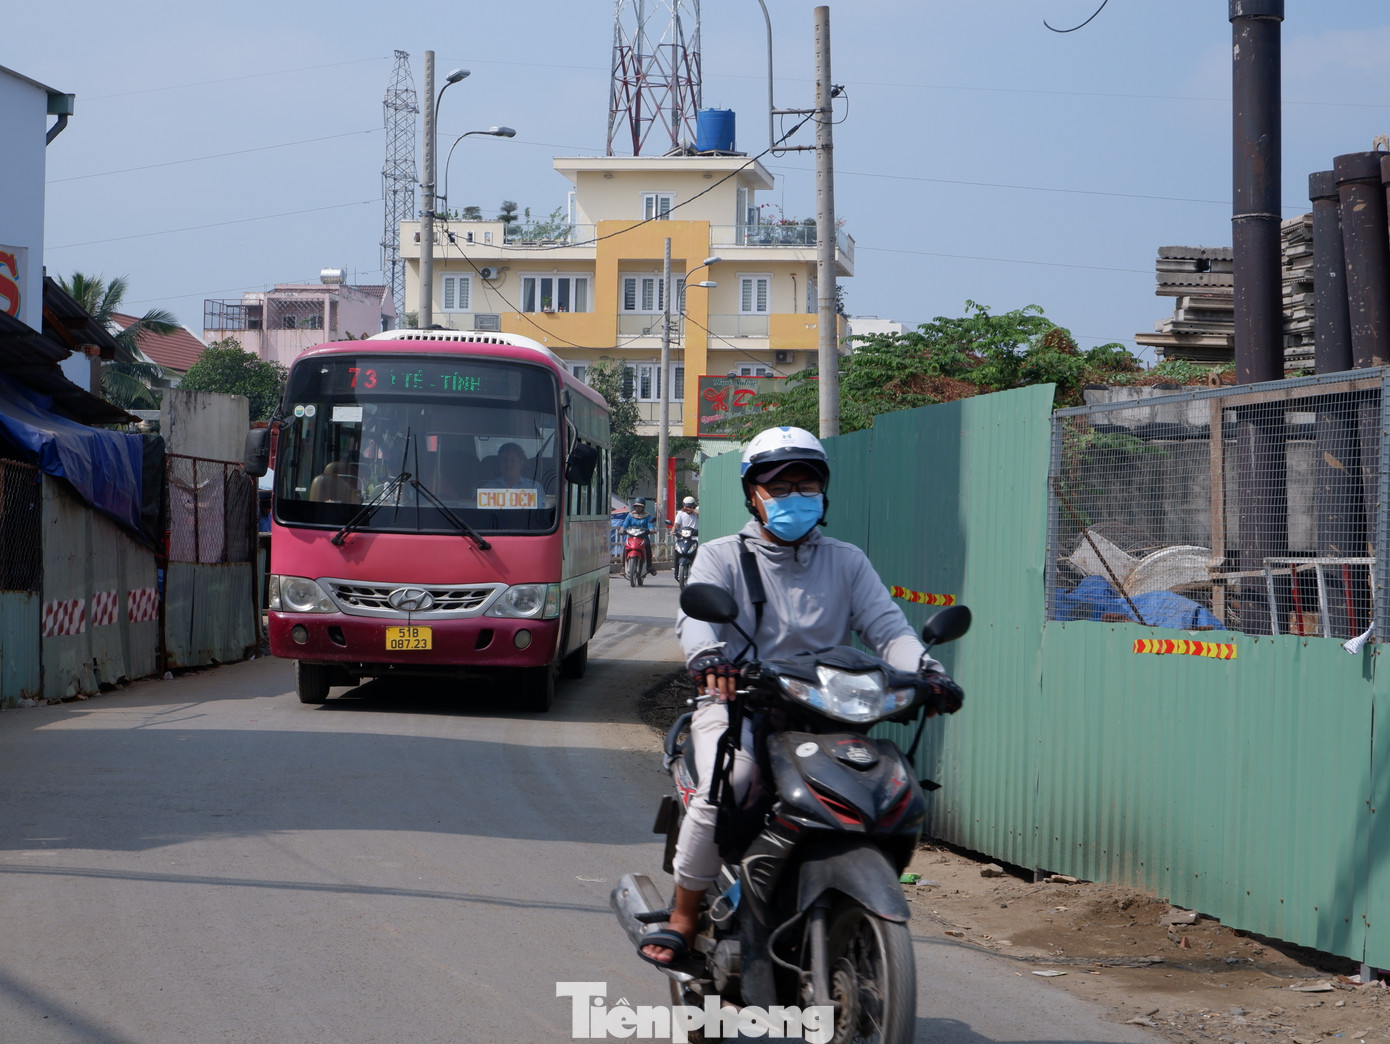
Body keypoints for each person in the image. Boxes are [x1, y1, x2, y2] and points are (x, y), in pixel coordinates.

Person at [639, 425, 964, 966]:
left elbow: (889, 631)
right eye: (779, 487)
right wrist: (708, 661)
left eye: (806, 485)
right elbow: (695, 623)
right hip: (739, 702)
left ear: (824, 492)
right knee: (732, 782)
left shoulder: (846, 560)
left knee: (883, 789)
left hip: (827, 712)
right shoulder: (721, 556)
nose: (795, 497)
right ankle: (683, 913)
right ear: (753, 494)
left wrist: (930, 672)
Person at [618, 497, 658, 576]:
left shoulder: (647, 516)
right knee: (626, 547)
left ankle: (649, 566)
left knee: (647, 546)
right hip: (631, 537)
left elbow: (650, 525)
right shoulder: (630, 515)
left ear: (643, 507)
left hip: (643, 537)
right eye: (636, 506)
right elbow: (625, 525)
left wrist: (651, 530)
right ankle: (623, 566)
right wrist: (622, 529)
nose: (638, 508)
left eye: (640, 506)